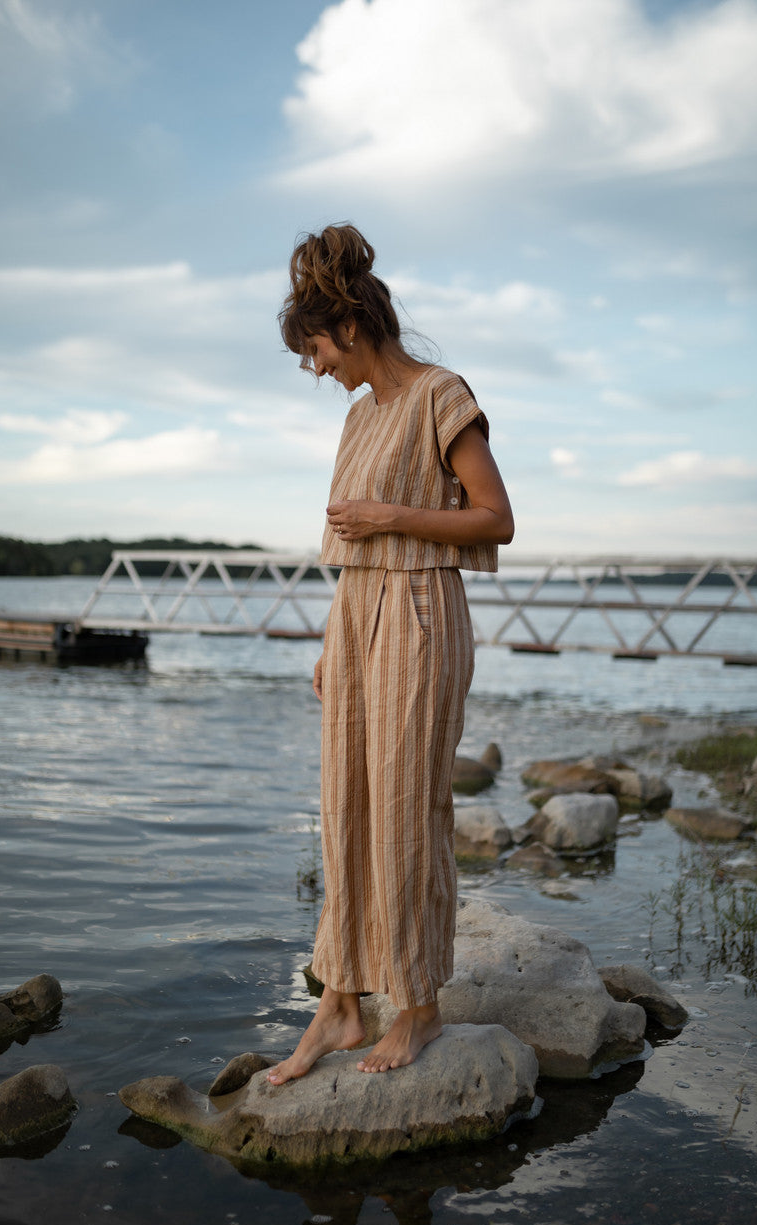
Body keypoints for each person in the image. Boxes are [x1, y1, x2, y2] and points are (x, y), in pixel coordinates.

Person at [267, 224, 513, 1084]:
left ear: (350, 328)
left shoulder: (441, 395)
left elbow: (495, 518)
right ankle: (340, 1003)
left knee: (408, 810)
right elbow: (348, 541)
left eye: (317, 351)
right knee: (344, 810)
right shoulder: (356, 418)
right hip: (358, 611)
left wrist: (390, 518)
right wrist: (335, 639)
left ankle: (417, 1007)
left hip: (419, 608)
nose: (316, 368)